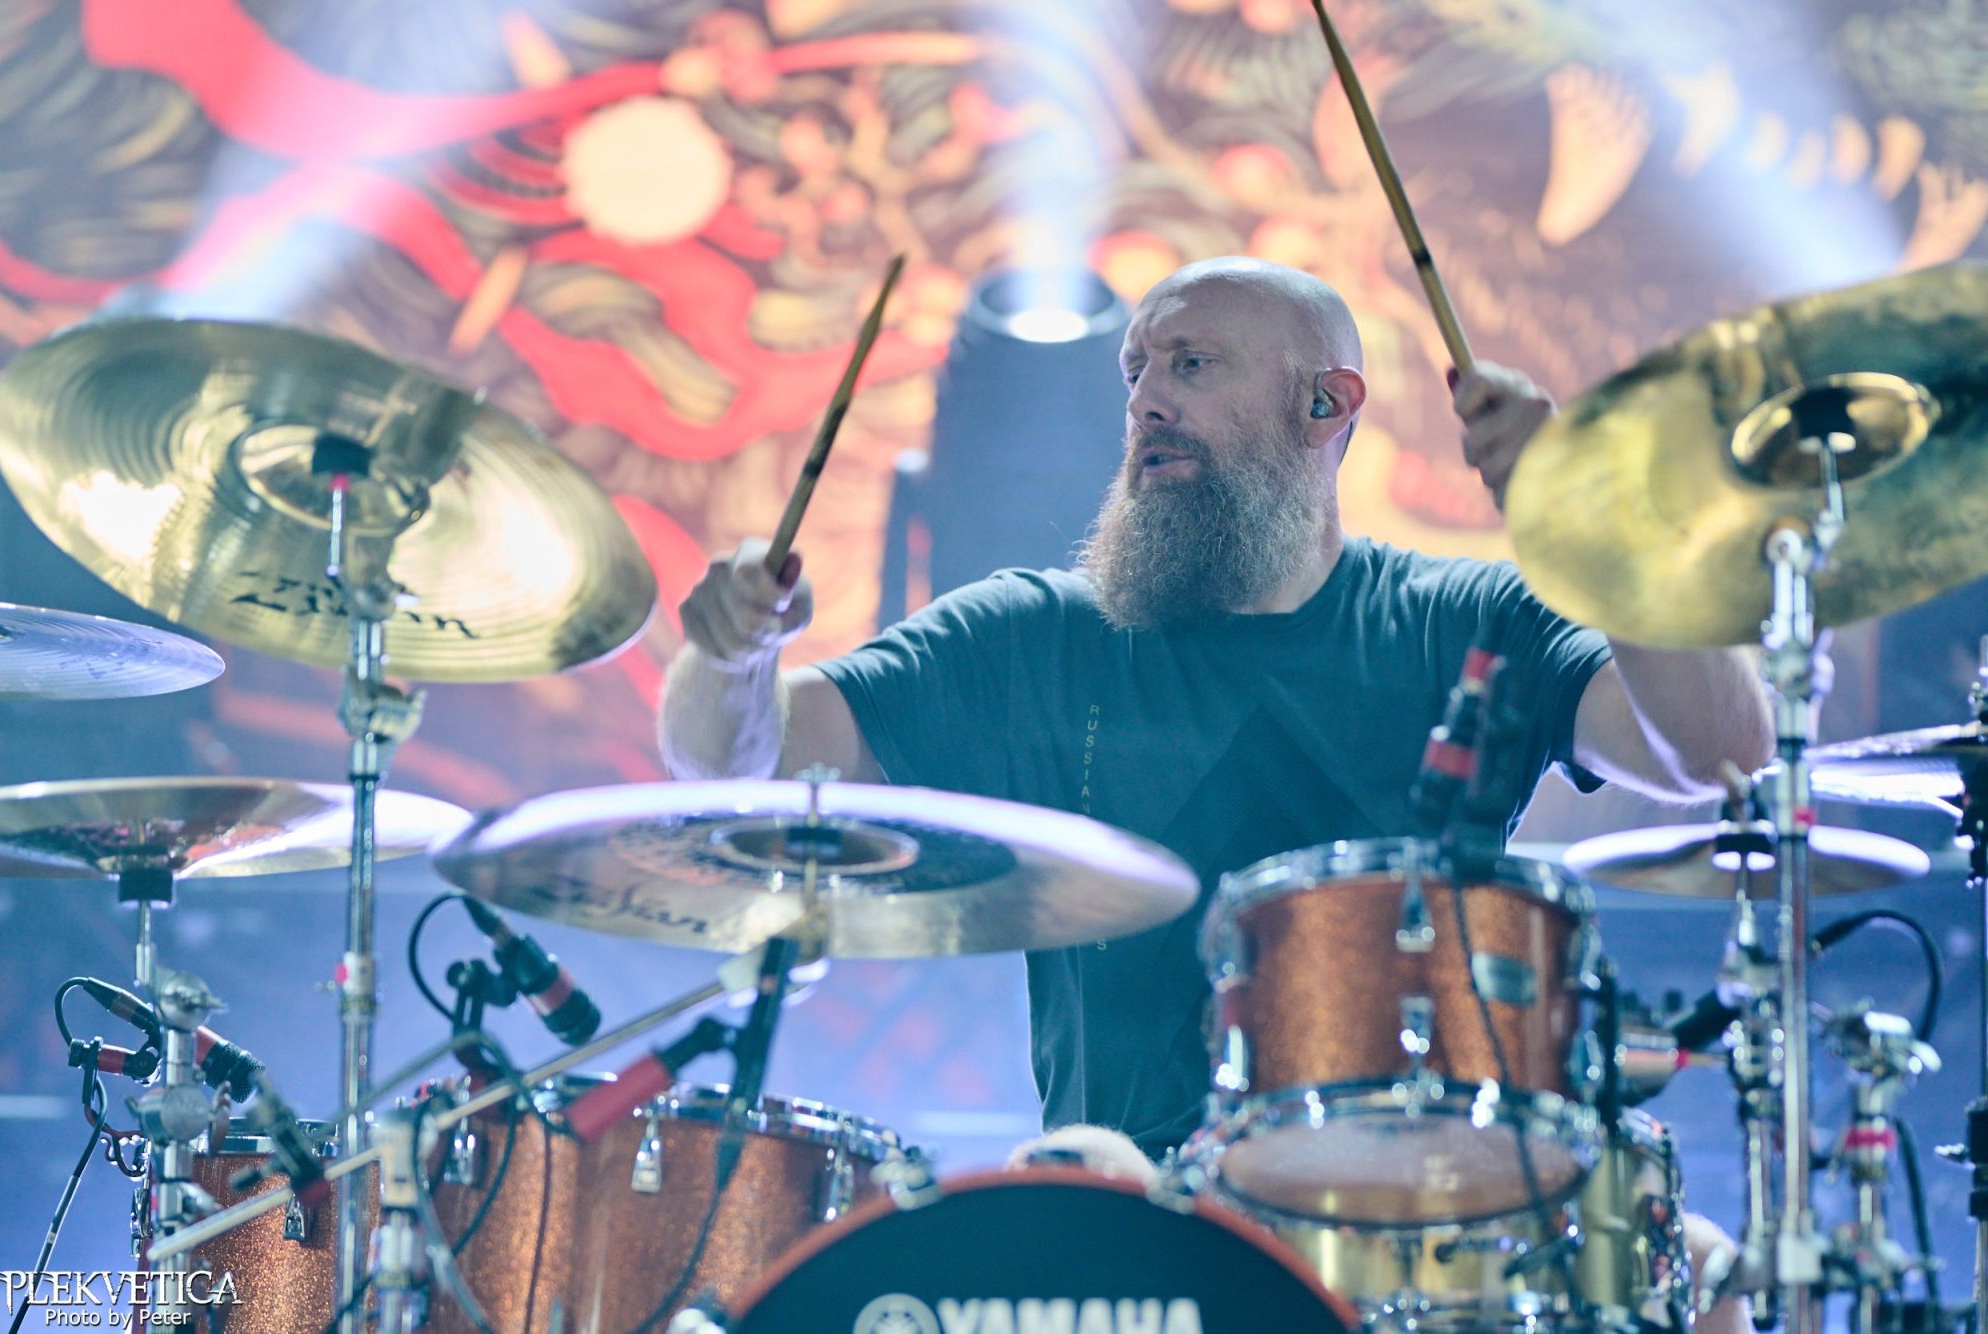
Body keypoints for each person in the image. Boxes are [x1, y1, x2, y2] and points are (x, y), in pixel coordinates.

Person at [659, 256, 1770, 1312]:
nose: (1147, 398)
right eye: (1136, 369)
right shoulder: (1035, 636)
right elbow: (742, 761)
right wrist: (730, 655)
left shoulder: (1461, 620)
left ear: (1325, 405)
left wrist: (1603, 524)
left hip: (1439, 1220)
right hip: (1140, 1216)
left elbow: (1718, 748)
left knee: (1700, 1266)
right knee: (1074, 1177)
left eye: (1192, 364)